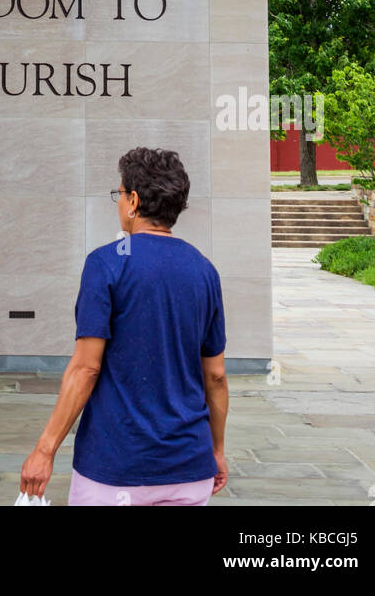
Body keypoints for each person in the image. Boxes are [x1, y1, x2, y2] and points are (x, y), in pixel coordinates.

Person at [20, 146, 229, 506]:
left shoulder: (106, 264)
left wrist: (45, 449)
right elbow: (216, 377)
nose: (119, 203)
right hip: (189, 468)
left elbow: (86, 368)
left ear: (133, 200)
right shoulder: (205, 270)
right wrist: (217, 450)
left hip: (114, 468)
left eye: (120, 194)